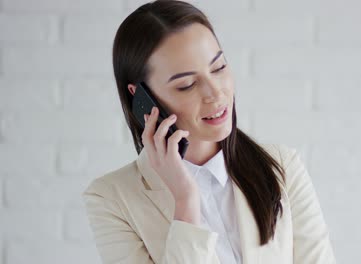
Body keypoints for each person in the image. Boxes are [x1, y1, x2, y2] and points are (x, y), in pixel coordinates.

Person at [81, 0, 337, 263]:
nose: (215, 93)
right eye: (187, 85)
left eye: (219, 68)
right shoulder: (111, 198)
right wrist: (185, 200)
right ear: (142, 97)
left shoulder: (282, 167)